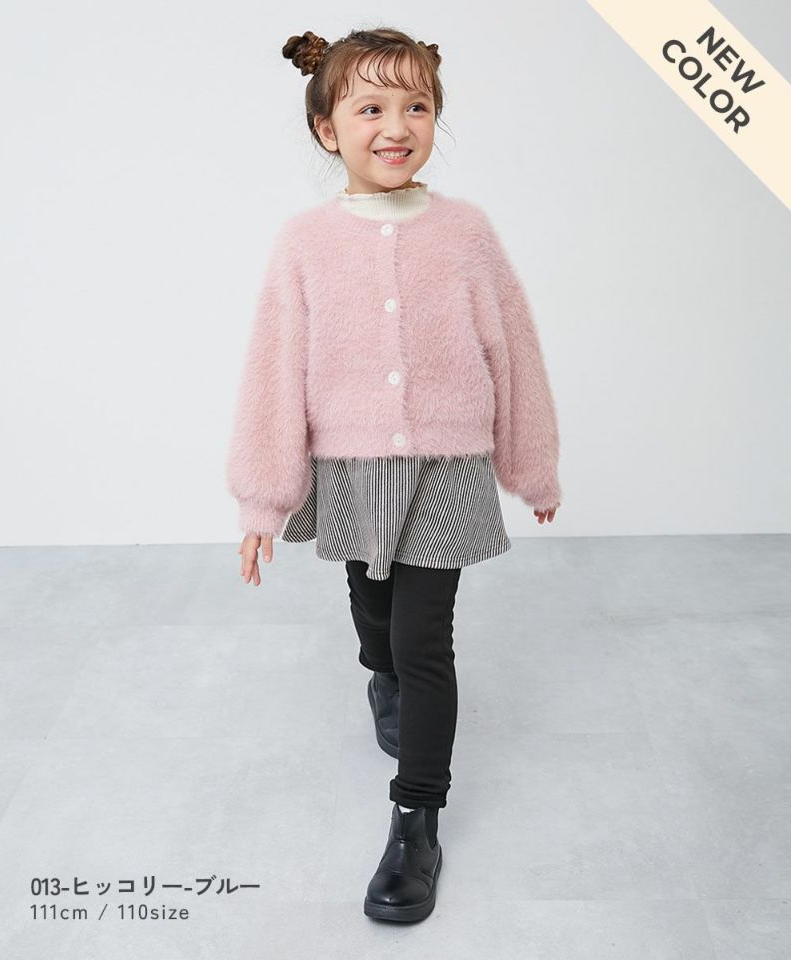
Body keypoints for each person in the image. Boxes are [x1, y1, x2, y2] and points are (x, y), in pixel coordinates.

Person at [226, 27, 562, 923]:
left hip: (448, 465)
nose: (397, 125)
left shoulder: (467, 233)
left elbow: (515, 351)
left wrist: (533, 468)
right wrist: (262, 501)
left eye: (417, 106)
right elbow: (273, 370)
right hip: (346, 465)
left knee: (425, 643)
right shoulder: (304, 243)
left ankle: (416, 819)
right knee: (373, 615)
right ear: (327, 128)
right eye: (370, 107)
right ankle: (377, 673)